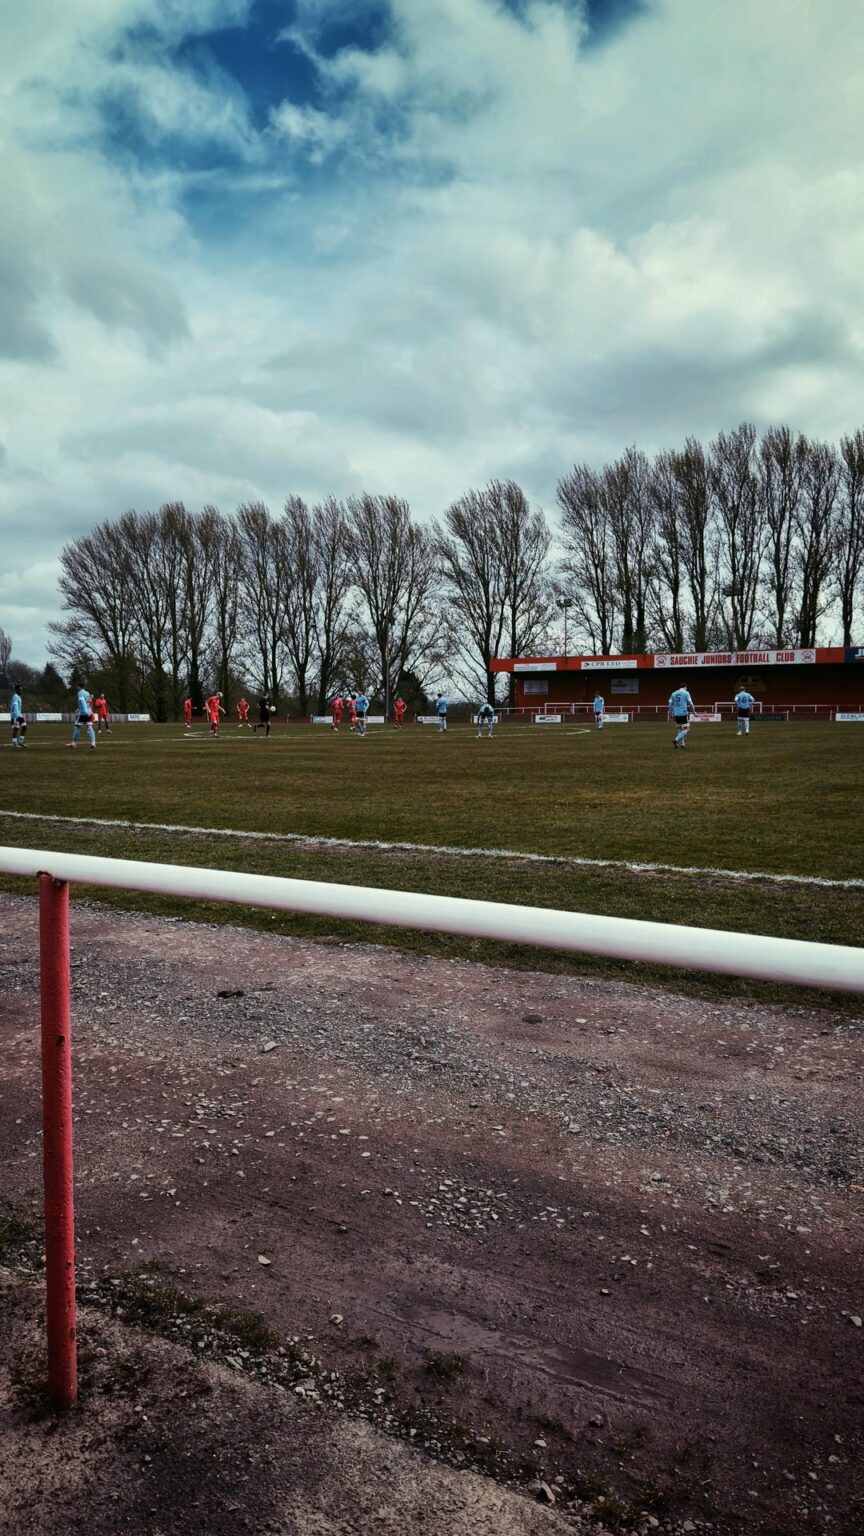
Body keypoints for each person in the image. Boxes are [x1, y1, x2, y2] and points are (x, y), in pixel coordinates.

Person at [67, 685, 96, 749]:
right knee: (90, 728)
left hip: (83, 713)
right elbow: (88, 702)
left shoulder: (80, 693)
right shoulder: (87, 693)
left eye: (77, 687)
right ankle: (93, 744)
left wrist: (84, 711)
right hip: (89, 712)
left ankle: (74, 743)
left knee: (77, 727)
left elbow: (83, 702)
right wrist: (80, 709)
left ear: (80, 687)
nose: (77, 688)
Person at [668, 684, 695, 749]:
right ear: (685, 687)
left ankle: (682, 744)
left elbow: (670, 705)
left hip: (676, 714)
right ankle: (676, 739)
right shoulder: (686, 693)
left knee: (680, 729)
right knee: (687, 729)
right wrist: (694, 712)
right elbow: (690, 703)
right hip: (683, 714)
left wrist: (670, 715)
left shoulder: (673, 693)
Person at [9, 683, 26, 748]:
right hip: (15, 715)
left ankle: (21, 742)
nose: (21, 691)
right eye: (19, 689)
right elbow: (15, 707)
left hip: (19, 714)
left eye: (22, 689)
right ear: (16, 690)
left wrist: (19, 715)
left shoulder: (19, 697)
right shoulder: (15, 697)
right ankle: (14, 743)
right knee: (16, 728)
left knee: (24, 727)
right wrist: (17, 716)